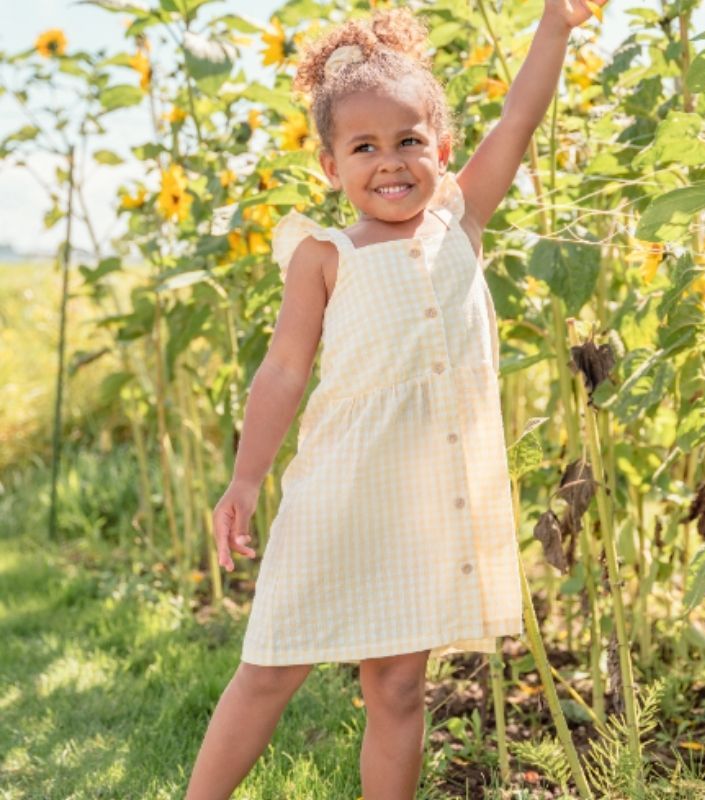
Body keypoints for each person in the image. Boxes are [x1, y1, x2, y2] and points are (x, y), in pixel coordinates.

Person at [186, 2, 601, 798]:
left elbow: (518, 117)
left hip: (424, 507)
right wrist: (244, 480)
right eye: (364, 146)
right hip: (337, 497)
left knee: (400, 688)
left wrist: (554, 26)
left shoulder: (458, 219)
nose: (391, 161)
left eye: (410, 140)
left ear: (442, 150)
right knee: (271, 668)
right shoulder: (323, 255)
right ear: (330, 166)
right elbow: (280, 373)